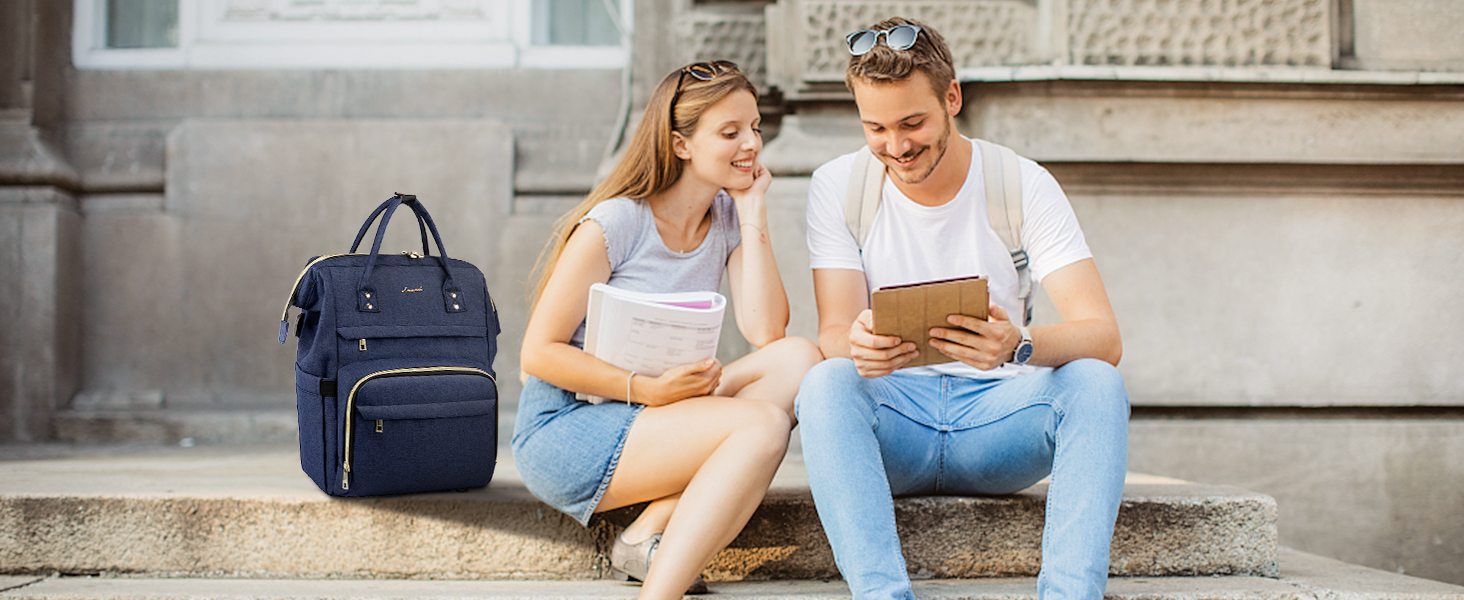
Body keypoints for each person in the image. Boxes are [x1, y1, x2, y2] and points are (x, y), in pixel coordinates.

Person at [797, 17, 1130, 600]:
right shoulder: (839, 186)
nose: (895, 147)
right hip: (894, 421)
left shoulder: (1021, 183)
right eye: (875, 127)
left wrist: (1019, 343)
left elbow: (1104, 336)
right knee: (824, 382)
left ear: (952, 98)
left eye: (912, 123)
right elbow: (832, 333)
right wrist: (859, 345)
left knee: (1097, 384)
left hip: (998, 424)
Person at [513, 60, 822, 600]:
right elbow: (538, 353)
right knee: (762, 427)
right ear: (681, 145)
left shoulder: (727, 215)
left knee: (800, 358)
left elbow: (766, 331)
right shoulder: (617, 223)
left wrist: (753, 212)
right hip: (569, 428)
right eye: (730, 133)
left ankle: (647, 533)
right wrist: (645, 389)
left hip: (657, 414)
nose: (751, 143)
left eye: (754, 127)